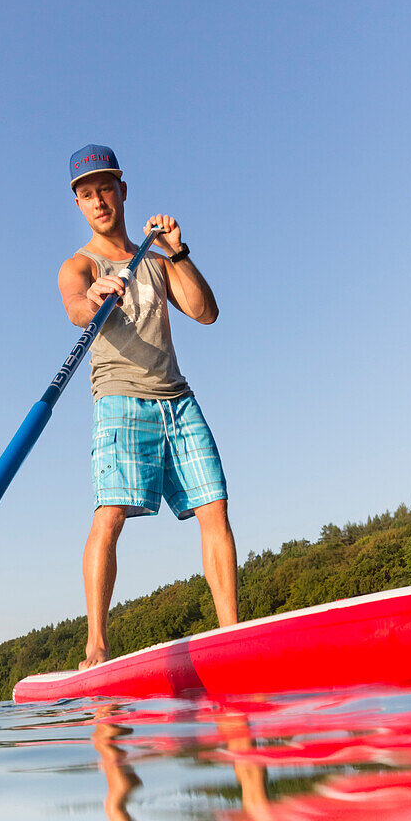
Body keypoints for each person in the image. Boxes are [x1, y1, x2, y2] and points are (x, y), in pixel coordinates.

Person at [58, 144, 238, 670]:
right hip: (119, 399)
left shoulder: (157, 262)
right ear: (79, 205)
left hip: (178, 400)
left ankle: (233, 634)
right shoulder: (80, 265)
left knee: (215, 508)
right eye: (87, 195)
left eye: (106, 189)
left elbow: (206, 313)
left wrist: (178, 252)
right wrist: (94, 297)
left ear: (122, 191)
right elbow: (74, 308)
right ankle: (96, 646)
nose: (98, 201)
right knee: (110, 515)